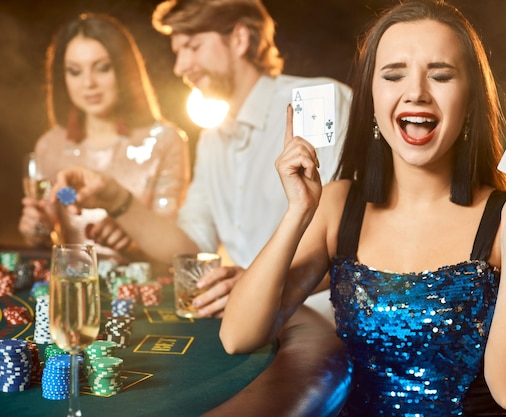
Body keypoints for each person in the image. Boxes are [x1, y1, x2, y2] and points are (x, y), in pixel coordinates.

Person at [219, 1, 506, 416]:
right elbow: (237, 336)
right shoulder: (337, 206)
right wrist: (298, 212)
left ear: (470, 99)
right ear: (373, 99)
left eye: (441, 75)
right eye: (394, 75)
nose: (416, 92)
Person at [50, 0, 351, 318]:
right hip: (246, 323)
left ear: (239, 38)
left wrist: (258, 284)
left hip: (321, 324)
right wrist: (115, 197)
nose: (180, 67)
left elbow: (351, 237)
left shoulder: (318, 101)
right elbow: (191, 248)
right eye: (178, 52)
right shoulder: (211, 139)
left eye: (192, 47)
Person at [18, 13, 190, 266]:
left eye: (102, 68)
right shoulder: (50, 146)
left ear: (123, 70)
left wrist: (132, 238)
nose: (89, 83)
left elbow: (180, 248)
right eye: (75, 71)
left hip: (145, 291)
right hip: (72, 288)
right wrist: (37, 229)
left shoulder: (165, 141)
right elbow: (53, 232)